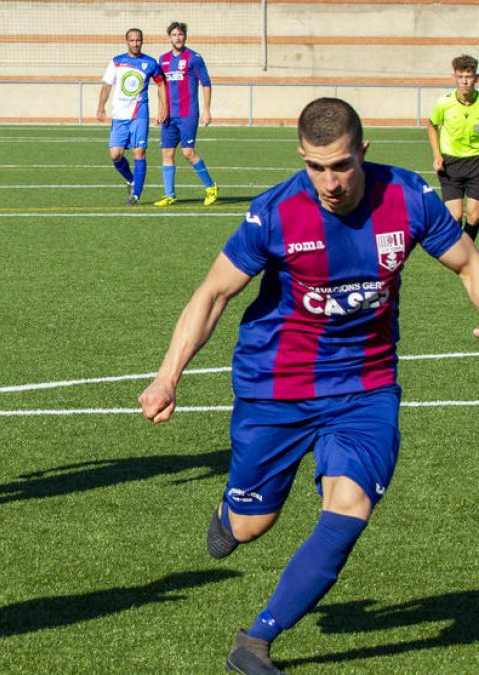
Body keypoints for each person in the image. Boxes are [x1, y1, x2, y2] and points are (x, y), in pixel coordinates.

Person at [138, 97, 479, 674]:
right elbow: (214, 294)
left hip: (365, 386)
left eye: (342, 165)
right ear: (302, 157)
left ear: (363, 151)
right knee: (251, 527)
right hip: (276, 385)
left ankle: (256, 640)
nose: (330, 181)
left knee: (351, 505)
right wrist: (167, 377)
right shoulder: (275, 211)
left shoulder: (409, 197)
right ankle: (231, 512)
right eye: (316, 167)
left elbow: (469, 263)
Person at [96, 27, 168, 206]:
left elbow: (161, 85)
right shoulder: (117, 62)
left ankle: (135, 195)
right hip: (119, 115)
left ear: (142, 41)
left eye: (138, 40)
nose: (136, 43)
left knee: (139, 151)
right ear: (126, 41)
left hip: (139, 114)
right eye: (132, 40)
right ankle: (131, 179)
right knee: (115, 154)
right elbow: (106, 86)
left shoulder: (150, 63)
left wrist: (163, 107)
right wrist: (100, 107)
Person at [153, 21, 218, 207]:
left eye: (180, 35)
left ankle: (211, 186)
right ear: (169, 37)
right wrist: (160, 109)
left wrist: (206, 109)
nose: (178, 38)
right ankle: (169, 195)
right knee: (167, 153)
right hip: (169, 115)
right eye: (174, 35)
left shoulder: (194, 58)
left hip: (188, 113)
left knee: (188, 152)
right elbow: (161, 87)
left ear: (185, 36)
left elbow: (206, 83)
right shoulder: (163, 59)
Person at [428, 54, 479, 239]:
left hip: (476, 162)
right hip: (450, 164)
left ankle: (466, 251)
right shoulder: (444, 102)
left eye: (468, 76)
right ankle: (461, 250)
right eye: (460, 76)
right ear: (454, 78)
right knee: (455, 216)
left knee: (475, 215)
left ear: (476, 78)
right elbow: (432, 125)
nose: (464, 81)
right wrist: (437, 154)